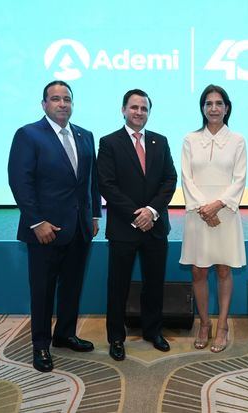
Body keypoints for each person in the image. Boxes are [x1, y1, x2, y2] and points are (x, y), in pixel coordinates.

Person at [8, 80, 101, 372]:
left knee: (72, 287)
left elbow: (91, 181)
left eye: (67, 99)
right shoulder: (28, 134)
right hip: (45, 231)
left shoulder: (85, 135)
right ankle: (40, 346)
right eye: (56, 99)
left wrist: (95, 215)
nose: (63, 104)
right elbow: (20, 182)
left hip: (80, 228)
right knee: (43, 290)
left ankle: (65, 334)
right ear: (44, 104)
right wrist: (37, 221)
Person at [97, 89, 177, 361]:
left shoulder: (160, 141)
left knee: (154, 284)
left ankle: (152, 331)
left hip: (155, 226)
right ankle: (116, 338)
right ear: (123, 110)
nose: (139, 112)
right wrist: (136, 214)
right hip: (124, 228)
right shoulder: (109, 143)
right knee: (117, 285)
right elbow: (106, 184)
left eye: (144, 108)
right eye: (134, 107)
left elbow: (170, 180)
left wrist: (152, 211)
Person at [179, 85, 246, 353]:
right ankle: (204, 324)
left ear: (227, 108)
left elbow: (240, 178)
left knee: (223, 269)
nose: (214, 108)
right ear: (203, 108)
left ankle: (222, 326)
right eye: (209, 103)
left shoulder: (238, 139)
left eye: (219, 103)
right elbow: (186, 177)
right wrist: (203, 209)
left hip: (226, 214)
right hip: (198, 215)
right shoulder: (190, 139)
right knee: (198, 270)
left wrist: (217, 205)